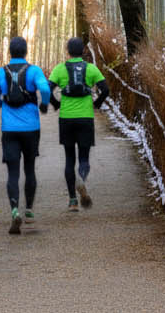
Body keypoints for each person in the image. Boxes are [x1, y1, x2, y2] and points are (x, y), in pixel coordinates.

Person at [0, 36, 52, 235]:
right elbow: (45, 89)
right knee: (30, 168)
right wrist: (43, 104)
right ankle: (29, 210)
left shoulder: (0, 72)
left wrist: (0, 104)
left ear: (9, 52)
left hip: (9, 129)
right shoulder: (34, 70)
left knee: (13, 172)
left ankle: (14, 209)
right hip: (31, 128)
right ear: (25, 52)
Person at [48, 37, 108, 212]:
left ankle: (73, 200)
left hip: (66, 118)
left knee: (69, 159)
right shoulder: (91, 68)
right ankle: (81, 179)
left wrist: (56, 103)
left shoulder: (60, 69)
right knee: (83, 157)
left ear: (68, 51)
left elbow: (47, 88)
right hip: (85, 118)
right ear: (83, 51)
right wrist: (96, 104)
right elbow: (106, 89)